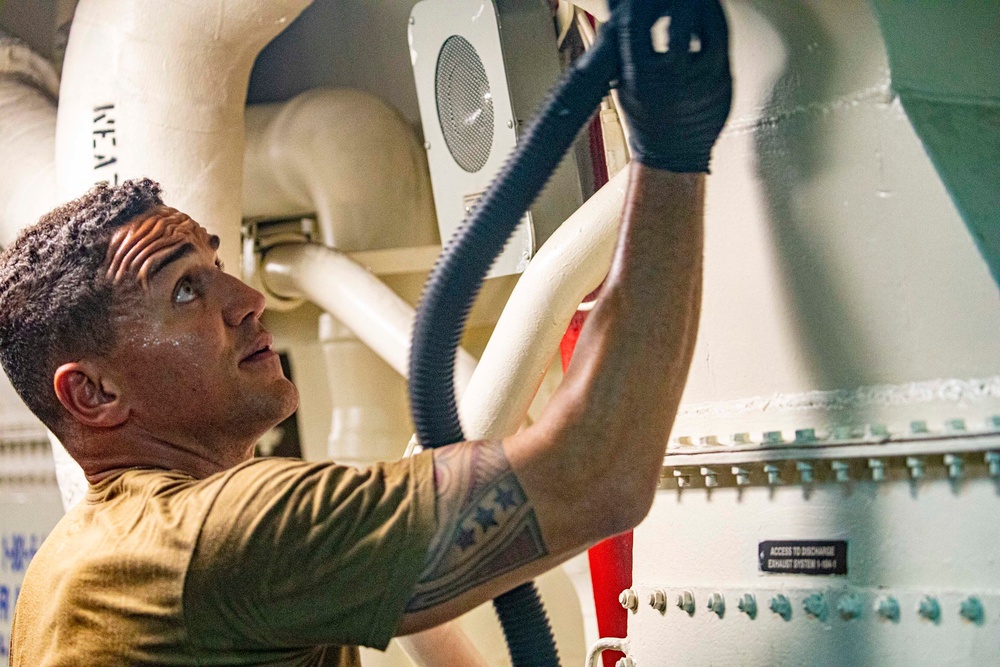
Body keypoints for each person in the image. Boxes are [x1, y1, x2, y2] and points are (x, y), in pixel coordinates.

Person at [3, 0, 731, 664]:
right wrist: (672, 152)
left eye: (218, 265)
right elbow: (597, 472)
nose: (249, 299)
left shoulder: (70, 567)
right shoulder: (217, 539)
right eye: (186, 289)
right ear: (93, 393)